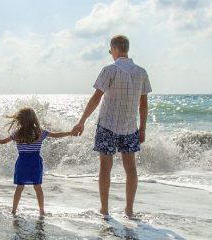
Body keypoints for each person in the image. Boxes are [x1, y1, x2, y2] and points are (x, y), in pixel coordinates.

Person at [71, 35, 151, 218]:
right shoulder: (141, 72)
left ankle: (105, 210)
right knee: (131, 169)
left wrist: (82, 120)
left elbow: (96, 97)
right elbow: (144, 105)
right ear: (127, 49)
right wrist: (143, 128)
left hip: (107, 125)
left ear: (114, 49)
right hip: (130, 127)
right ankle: (129, 210)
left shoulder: (110, 70)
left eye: (110, 51)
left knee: (105, 169)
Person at [0, 108, 73, 217]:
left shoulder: (17, 134)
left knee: (19, 187)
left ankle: (14, 210)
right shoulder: (40, 132)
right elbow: (56, 135)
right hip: (35, 163)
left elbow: (3, 141)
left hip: (22, 163)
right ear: (34, 119)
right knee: (38, 187)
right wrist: (70, 133)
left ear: (20, 120)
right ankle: (42, 211)